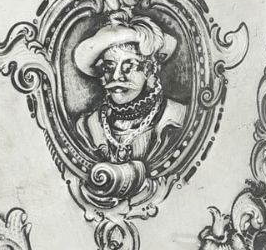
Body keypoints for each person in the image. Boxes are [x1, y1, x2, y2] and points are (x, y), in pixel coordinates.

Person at [69, 14, 187, 172]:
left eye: (129, 65)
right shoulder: (87, 127)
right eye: (109, 66)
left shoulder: (176, 117)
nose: (116, 76)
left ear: (150, 69)